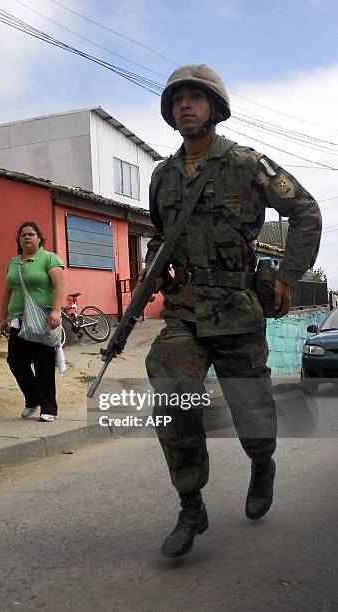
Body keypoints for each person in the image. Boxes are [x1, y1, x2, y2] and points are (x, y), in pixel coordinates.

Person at [143, 65, 321, 558]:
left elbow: (306, 211)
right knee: (172, 390)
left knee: (252, 411)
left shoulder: (245, 164)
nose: (185, 105)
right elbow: (160, 234)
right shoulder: (163, 176)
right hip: (186, 311)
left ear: (215, 109)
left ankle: (262, 462)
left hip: (239, 309)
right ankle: (191, 505)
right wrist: (152, 268)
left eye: (196, 97)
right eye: (177, 98)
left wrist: (287, 276)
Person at [1, 221, 64, 422]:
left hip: (42, 319)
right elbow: (8, 290)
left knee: (43, 363)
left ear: (39, 238)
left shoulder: (49, 258)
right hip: (18, 320)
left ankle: (49, 408)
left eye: (31, 234)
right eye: (23, 235)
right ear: (19, 240)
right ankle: (33, 398)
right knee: (15, 361)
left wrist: (56, 311)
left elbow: (59, 285)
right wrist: (3, 316)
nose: (27, 238)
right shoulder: (13, 262)